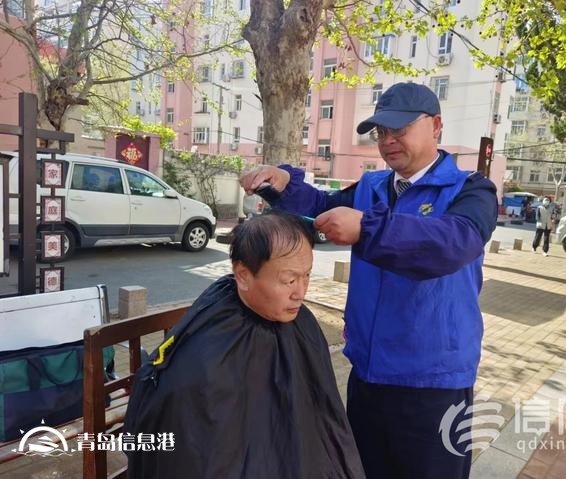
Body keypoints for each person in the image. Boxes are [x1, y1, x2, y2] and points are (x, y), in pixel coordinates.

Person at [240, 82, 498, 479]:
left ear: (436, 126)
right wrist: (283, 185)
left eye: (400, 129)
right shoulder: (372, 187)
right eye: (381, 132)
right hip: (368, 373)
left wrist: (368, 228)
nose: (388, 141)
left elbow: (454, 244)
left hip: (434, 382)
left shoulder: (471, 189)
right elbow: (322, 207)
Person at [123, 212, 365, 478]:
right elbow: (198, 451)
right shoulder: (209, 354)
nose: (301, 292)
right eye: (289, 280)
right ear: (243, 276)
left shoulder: (301, 322)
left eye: (307, 275)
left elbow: (321, 417)